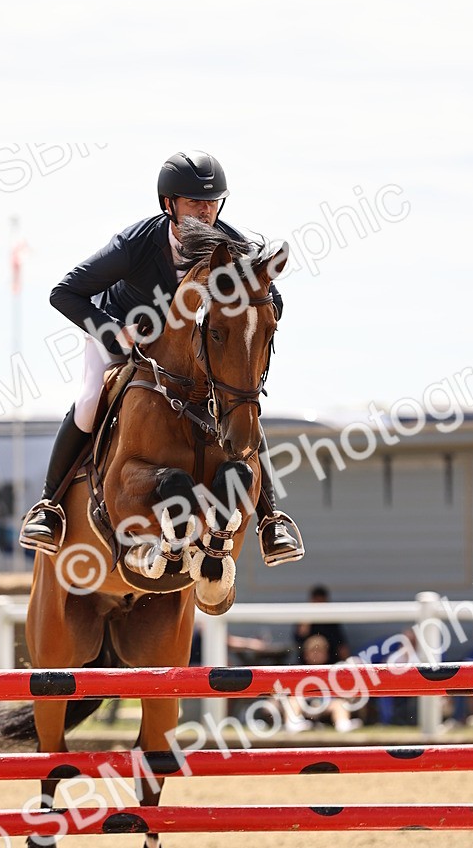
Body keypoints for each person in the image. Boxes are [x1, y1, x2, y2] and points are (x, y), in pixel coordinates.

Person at [19, 150, 304, 567]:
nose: (205, 211)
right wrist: (112, 332)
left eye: (211, 202)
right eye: (193, 202)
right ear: (168, 205)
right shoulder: (135, 244)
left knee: (241, 403)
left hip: (187, 350)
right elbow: (64, 292)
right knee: (88, 402)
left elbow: (269, 299)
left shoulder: (231, 246)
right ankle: (50, 506)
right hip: (122, 334)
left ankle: (270, 520)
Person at [293, 585, 350, 663]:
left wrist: (347, 663)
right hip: (306, 663)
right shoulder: (304, 618)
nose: (319, 607)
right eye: (317, 602)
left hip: (330, 661)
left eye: (321, 602)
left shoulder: (331, 620)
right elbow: (299, 639)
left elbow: (341, 645)